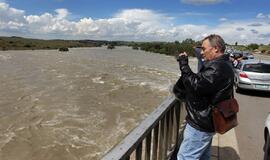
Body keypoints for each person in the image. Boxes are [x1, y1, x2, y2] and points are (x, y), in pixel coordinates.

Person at [175, 34, 235, 160]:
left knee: (186, 157)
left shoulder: (217, 68)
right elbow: (203, 83)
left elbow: (195, 85)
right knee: (203, 156)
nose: (202, 53)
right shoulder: (224, 64)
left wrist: (184, 65)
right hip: (208, 121)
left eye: (204, 49)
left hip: (201, 123)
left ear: (216, 49)